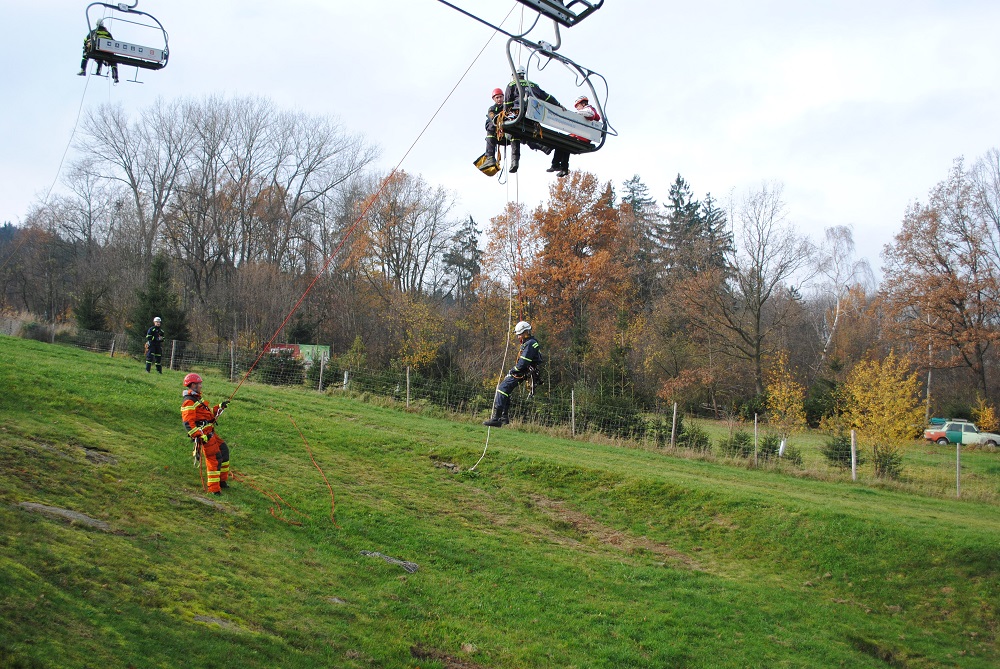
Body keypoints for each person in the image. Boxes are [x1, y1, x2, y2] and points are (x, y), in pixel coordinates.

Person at [484, 321, 543, 428]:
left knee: (502, 389)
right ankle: (504, 417)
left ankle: (496, 418)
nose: (518, 337)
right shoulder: (531, 342)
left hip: (521, 372)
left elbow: (523, 363)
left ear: (525, 332)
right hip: (525, 371)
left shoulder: (530, 344)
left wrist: (512, 371)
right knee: (506, 391)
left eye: (519, 334)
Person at [180, 373, 231, 495]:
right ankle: (214, 489)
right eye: (199, 384)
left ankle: (222, 481)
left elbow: (207, 415)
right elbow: (188, 422)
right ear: (193, 385)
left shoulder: (197, 398)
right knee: (214, 459)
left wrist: (219, 407)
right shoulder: (189, 402)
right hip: (205, 435)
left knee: (224, 451)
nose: (201, 386)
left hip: (210, 432)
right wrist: (199, 435)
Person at [504, 67, 562, 158]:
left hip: (518, 115)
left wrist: (505, 117)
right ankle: (544, 147)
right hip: (533, 116)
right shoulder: (534, 85)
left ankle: (516, 158)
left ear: (514, 75)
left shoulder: (512, 85)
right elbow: (547, 97)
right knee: (529, 135)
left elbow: (507, 103)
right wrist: (559, 105)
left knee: (515, 134)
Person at [547, 95, 602, 178]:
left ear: (583, 104)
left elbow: (591, 115)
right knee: (563, 145)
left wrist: (576, 114)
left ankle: (556, 165)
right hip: (579, 135)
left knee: (562, 141)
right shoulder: (586, 110)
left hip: (583, 137)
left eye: (578, 106)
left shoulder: (589, 109)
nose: (577, 108)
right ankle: (561, 167)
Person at [480, 88, 521, 173]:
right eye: (497, 97)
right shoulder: (492, 109)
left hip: (509, 133)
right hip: (499, 135)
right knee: (490, 128)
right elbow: (492, 118)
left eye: (500, 97)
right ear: (494, 99)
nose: (499, 99)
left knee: (518, 134)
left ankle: (515, 161)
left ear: (503, 97)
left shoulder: (508, 106)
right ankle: (490, 157)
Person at [78, 19, 119, 84]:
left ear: (97, 24)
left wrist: (85, 46)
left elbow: (86, 40)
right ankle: (115, 75)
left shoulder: (94, 32)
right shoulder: (108, 33)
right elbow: (113, 42)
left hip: (96, 50)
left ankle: (83, 70)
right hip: (107, 51)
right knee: (113, 60)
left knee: (85, 54)